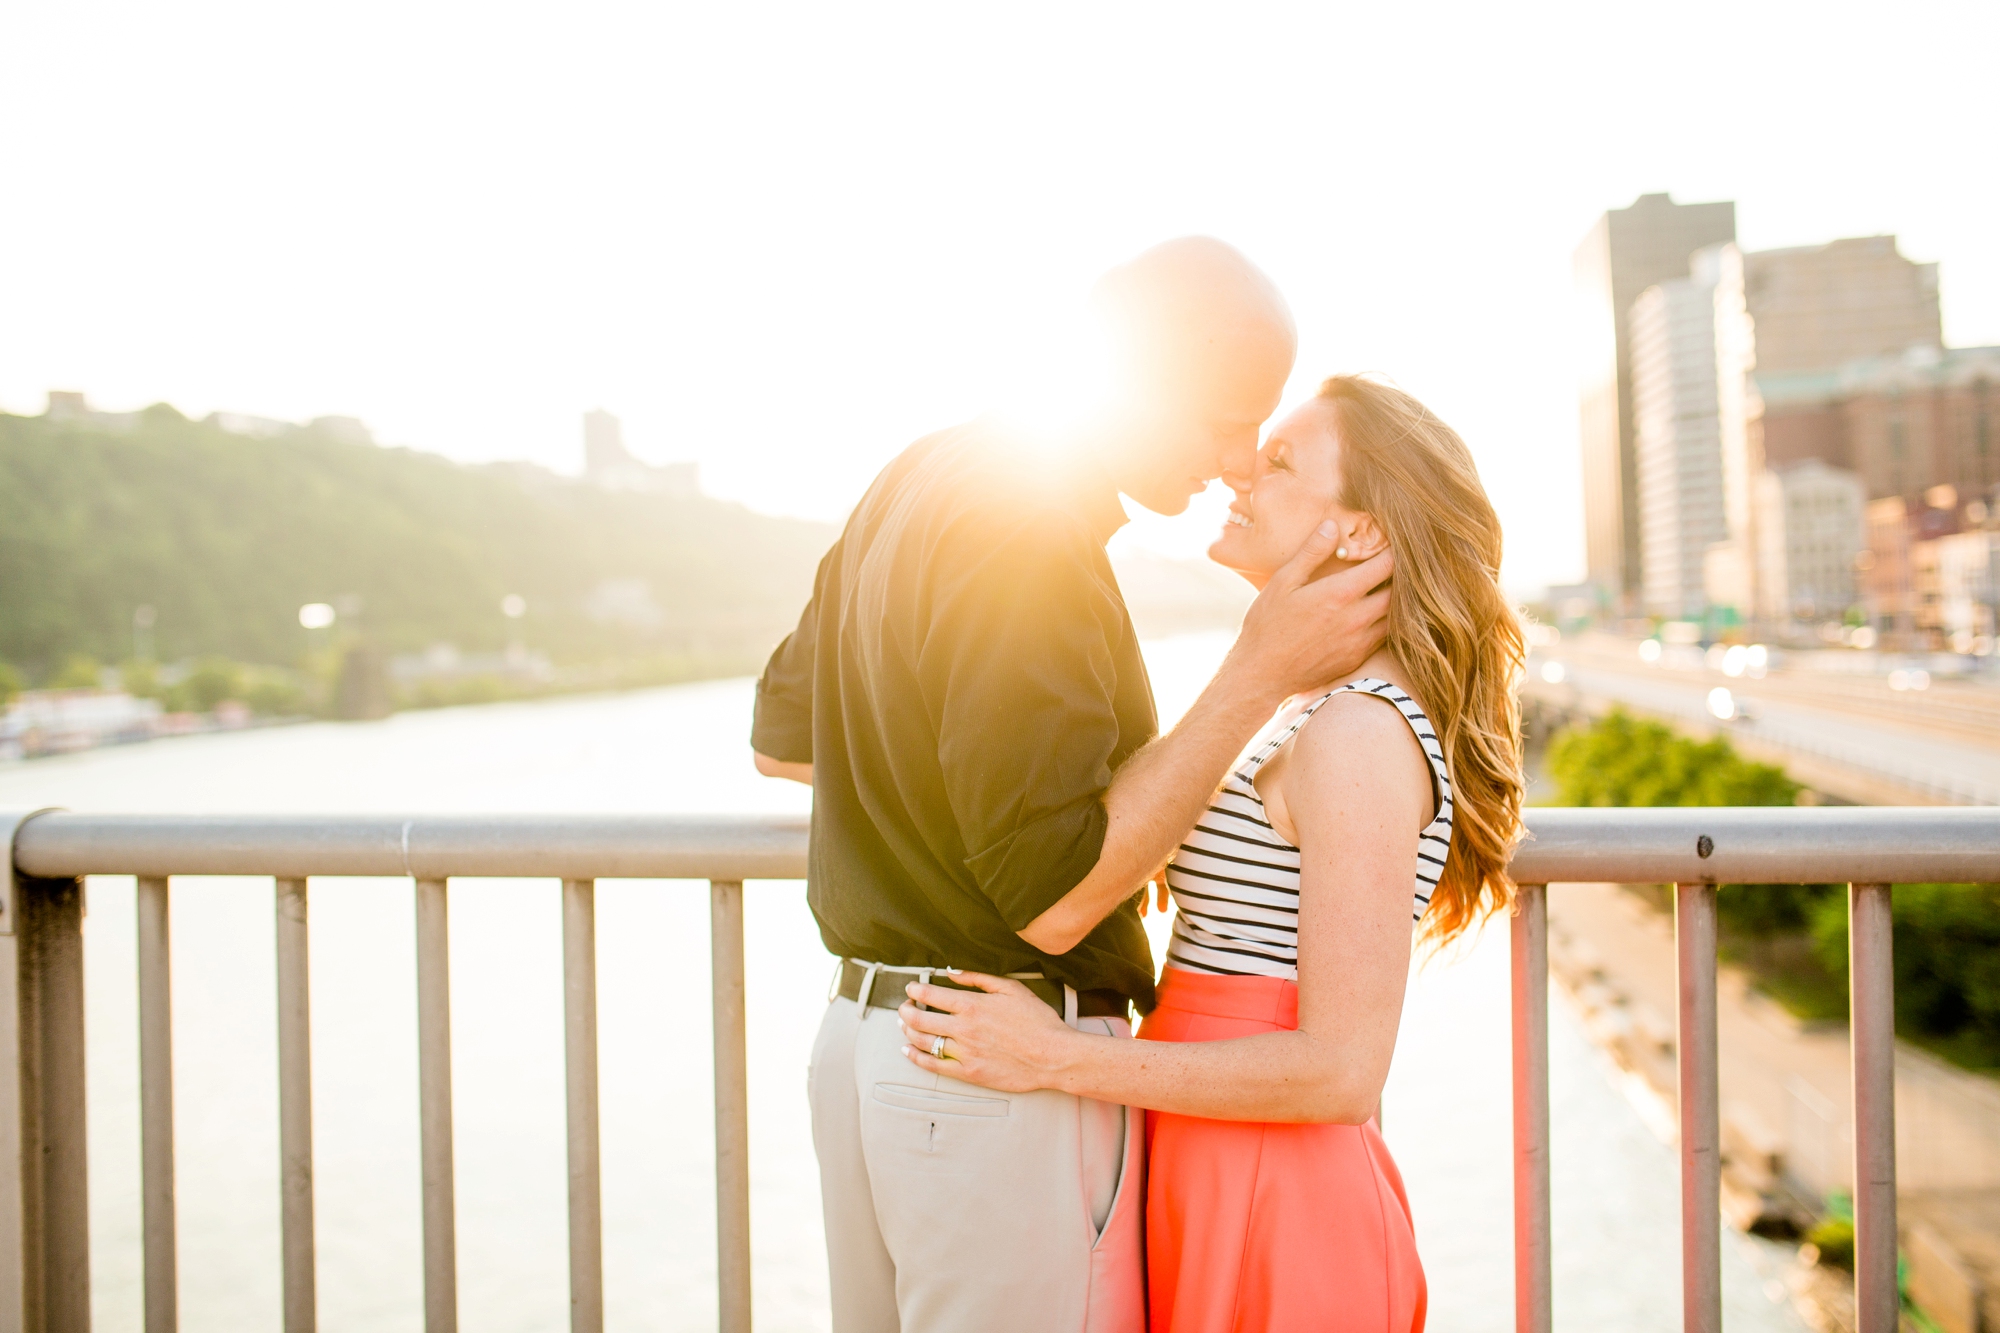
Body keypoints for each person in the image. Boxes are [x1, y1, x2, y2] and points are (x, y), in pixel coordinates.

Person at [751, 240, 1395, 1333]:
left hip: (864, 1048)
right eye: (1224, 419)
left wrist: (960, 796)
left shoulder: (916, 476)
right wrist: (1256, 669)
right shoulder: (1032, 539)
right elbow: (1054, 898)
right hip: (992, 1072)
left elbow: (784, 743)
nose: (1236, 459)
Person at [895, 375, 1527, 1333]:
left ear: (1360, 532)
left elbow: (1340, 1070)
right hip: (1218, 1160)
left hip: (1279, 1191)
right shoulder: (1316, 708)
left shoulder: (1358, 730)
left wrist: (1053, 1057)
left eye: (1279, 464)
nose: (1240, 472)